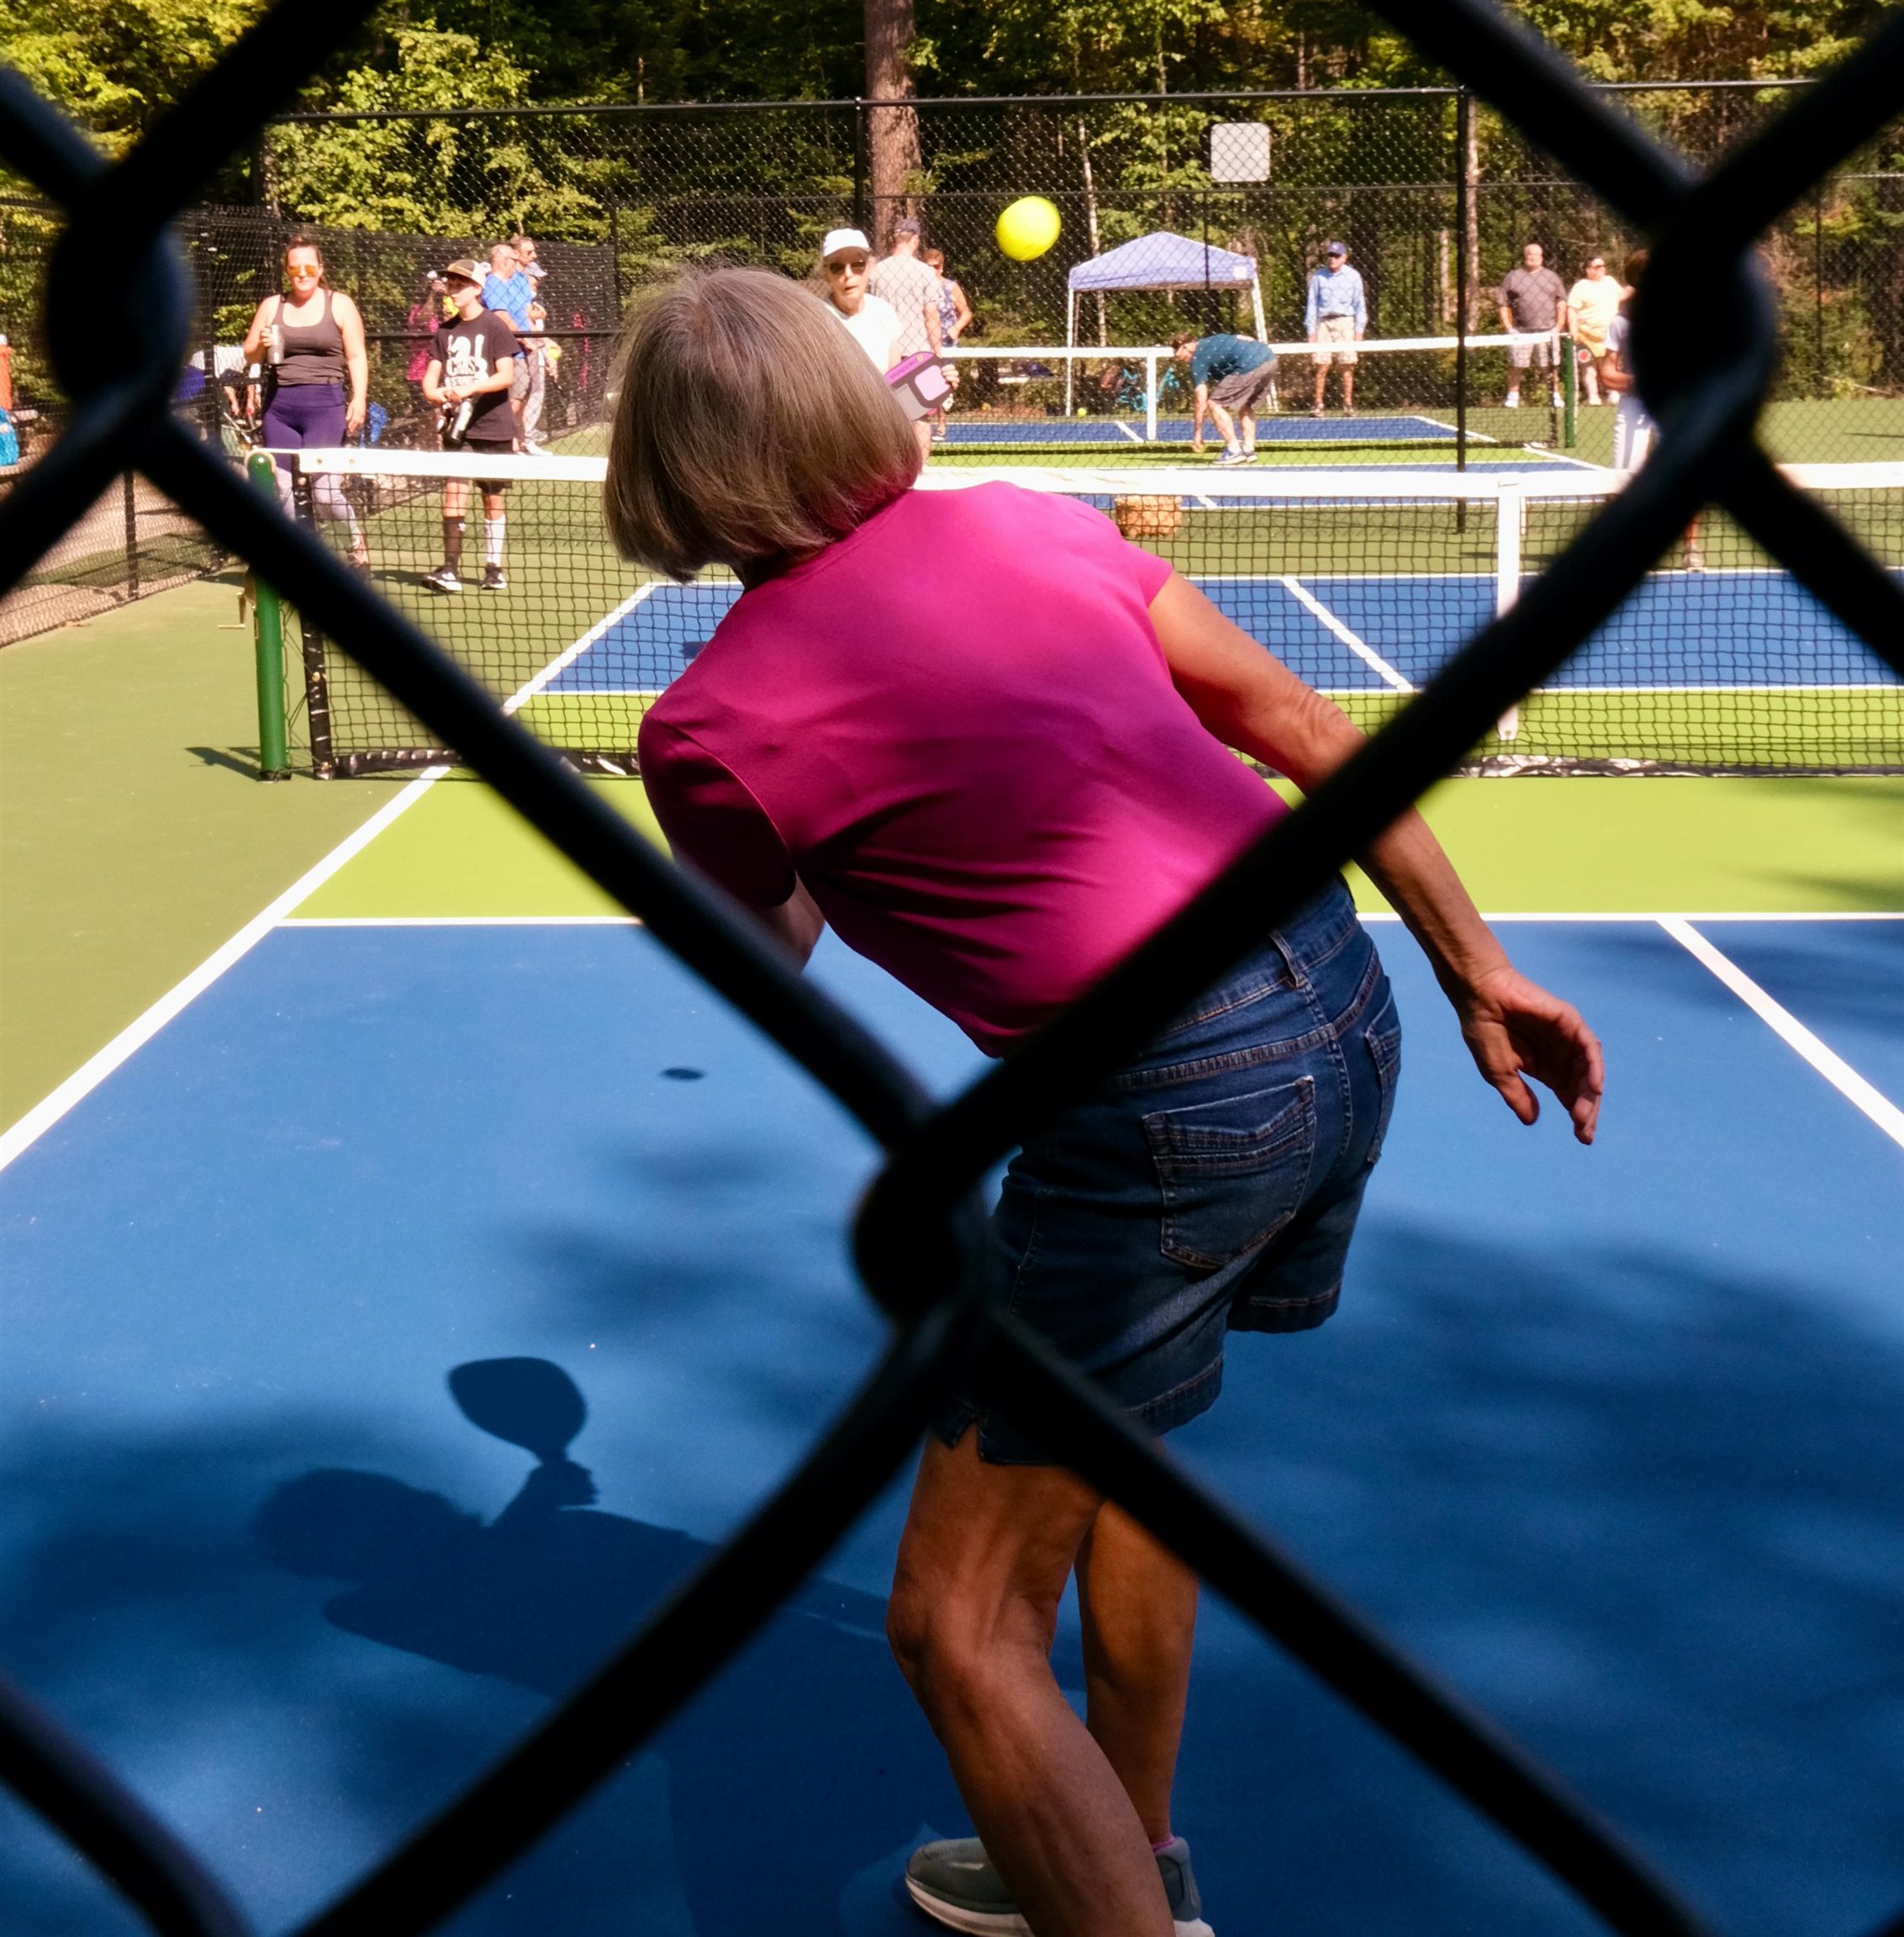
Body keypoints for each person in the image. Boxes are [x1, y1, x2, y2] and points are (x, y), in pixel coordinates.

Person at [606, 269, 1604, 1937]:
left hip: (1158, 1111)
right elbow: (1293, 724)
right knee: (1129, 1454)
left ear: (667, 471)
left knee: (952, 1625)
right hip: (1339, 999)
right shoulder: (1029, 522)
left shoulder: (706, 730)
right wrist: (1473, 963)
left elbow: (764, 947)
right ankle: (1123, 1852)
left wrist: (712, 848)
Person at [241, 237, 369, 565]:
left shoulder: (340, 304)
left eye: (309, 267)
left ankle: (356, 546)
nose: (302, 273)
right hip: (280, 408)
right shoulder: (272, 306)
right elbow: (250, 352)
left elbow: (356, 356)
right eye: (295, 267)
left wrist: (359, 399)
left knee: (325, 494)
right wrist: (263, 345)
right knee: (281, 490)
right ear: (287, 271)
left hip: (326, 406)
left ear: (320, 269)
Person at [1597, 248, 1702, 567]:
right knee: (1623, 478)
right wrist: (1637, 383)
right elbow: (1606, 373)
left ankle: (1691, 549)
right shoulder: (1621, 321)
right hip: (1634, 405)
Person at [419, 258, 519, 594]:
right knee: (453, 491)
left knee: (492, 497)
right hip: (457, 430)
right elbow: (430, 381)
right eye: (451, 282)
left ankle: (494, 568)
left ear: (477, 288)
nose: (453, 288)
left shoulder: (495, 327)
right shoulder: (444, 332)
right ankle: (450, 570)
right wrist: (440, 395)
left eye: (461, 283)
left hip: (494, 425)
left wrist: (470, 389)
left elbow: (506, 376)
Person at [869, 218, 943, 460]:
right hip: (918, 353)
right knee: (921, 417)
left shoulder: (877, 272)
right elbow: (931, 315)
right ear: (916, 240)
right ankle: (922, 473)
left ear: (894, 239)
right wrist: (937, 354)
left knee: (888, 417)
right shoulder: (925, 273)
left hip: (885, 352)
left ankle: (891, 468)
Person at [1171, 330, 1277, 468]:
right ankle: (1248, 449)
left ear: (1187, 346)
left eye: (1180, 355)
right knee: (1246, 405)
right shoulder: (1213, 341)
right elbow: (1244, 337)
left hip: (1249, 365)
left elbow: (1200, 397)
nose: (1181, 359)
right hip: (1269, 359)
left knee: (1214, 404)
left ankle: (1234, 450)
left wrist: (1197, 433)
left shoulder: (1197, 357)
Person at [815, 227, 903, 374]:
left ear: (870, 267)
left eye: (857, 265)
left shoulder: (883, 311)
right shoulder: (818, 322)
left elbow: (896, 378)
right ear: (826, 274)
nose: (848, 274)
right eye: (837, 267)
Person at [1497, 241, 1569, 409]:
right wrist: (1508, 327)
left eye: (1535, 254)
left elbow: (1562, 302)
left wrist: (1558, 327)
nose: (1532, 257)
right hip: (1520, 332)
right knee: (1517, 364)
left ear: (1541, 257)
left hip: (1548, 331)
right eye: (1529, 254)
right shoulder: (1513, 276)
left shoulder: (1552, 277)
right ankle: (1513, 396)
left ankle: (1554, 395)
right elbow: (1503, 303)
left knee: (1549, 366)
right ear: (1525, 256)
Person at [482, 240, 538, 447]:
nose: (516, 264)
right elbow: (502, 316)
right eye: (514, 260)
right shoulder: (494, 284)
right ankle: (499, 438)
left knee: (521, 394)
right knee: (513, 398)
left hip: (520, 350)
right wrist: (524, 339)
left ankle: (514, 441)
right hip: (509, 351)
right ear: (505, 262)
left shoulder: (509, 284)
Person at [1305, 240, 1365, 416]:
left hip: (1345, 322)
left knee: (1346, 364)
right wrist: (1311, 330)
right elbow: (1312, 304)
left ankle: (1347, 404)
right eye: (1330, 255)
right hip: (1323, 322)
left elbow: (1360, 304)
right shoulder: (1318, 277)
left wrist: (1359, 330)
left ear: (1344, 258)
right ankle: (1318, 405)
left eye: (1336, 256)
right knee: (1321, 365)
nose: (1332, 259)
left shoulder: (1353, 276)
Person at [922, 245, 972, 442]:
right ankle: (924, 425)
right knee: (925, 384)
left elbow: (966, 312)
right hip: (924, 341)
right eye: (928, 267)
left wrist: (957, 327)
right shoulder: (921, 287)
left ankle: (942, 425)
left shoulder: (951, 287)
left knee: (942, 383)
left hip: (947, 343)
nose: (932, 271)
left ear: (941, 268)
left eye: (935, 267)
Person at [512, 233, 551, 451]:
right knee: (518, 397)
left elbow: (532, 314)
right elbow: (526, 315)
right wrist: (528, 339)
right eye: (529, 252)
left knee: (528, 394)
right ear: (516, 254)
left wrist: (543, 343)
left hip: (531, 346)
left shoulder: (520, 283)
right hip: (518, 349)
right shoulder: (512, 282)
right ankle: (514, 440)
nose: (534, 256)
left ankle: (522, 439)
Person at [1566, 252, 1618, 407]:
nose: (1602, 269)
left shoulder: (1610, 282)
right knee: (1588, 366)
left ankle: (1613, 392)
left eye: (1603, 265)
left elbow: (1622, 296)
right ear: (1588, 270)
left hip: (1609, 333)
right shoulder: (1580, 286)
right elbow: (1572, 309)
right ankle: (1593, 396)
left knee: (1610, 365)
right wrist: (1573, 329)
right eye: (1597, 266)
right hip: (1587, 335)